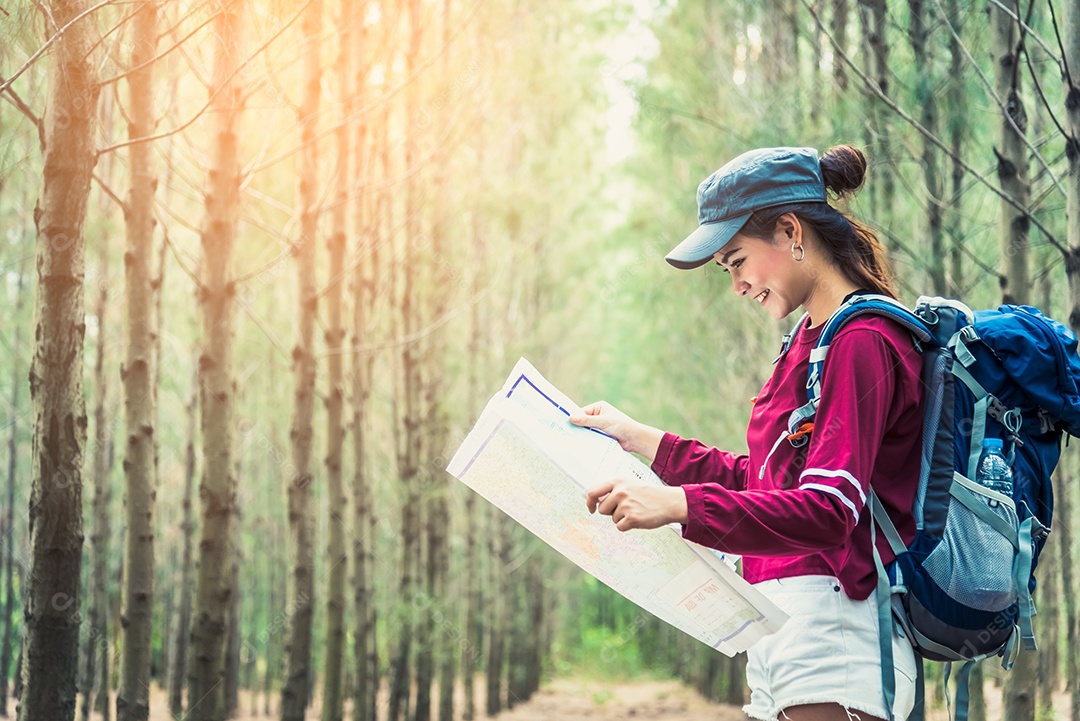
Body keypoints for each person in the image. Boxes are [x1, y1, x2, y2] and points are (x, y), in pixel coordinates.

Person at [569, 146, 924, 721]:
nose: (736, 284)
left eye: (737, 260)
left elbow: (830, 510)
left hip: (833, 634)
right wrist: (642, 440)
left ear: (789, 231)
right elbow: (764, 483)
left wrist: (682, 504)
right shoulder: (809, 343)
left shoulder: (864, 341)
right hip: (781, 629)